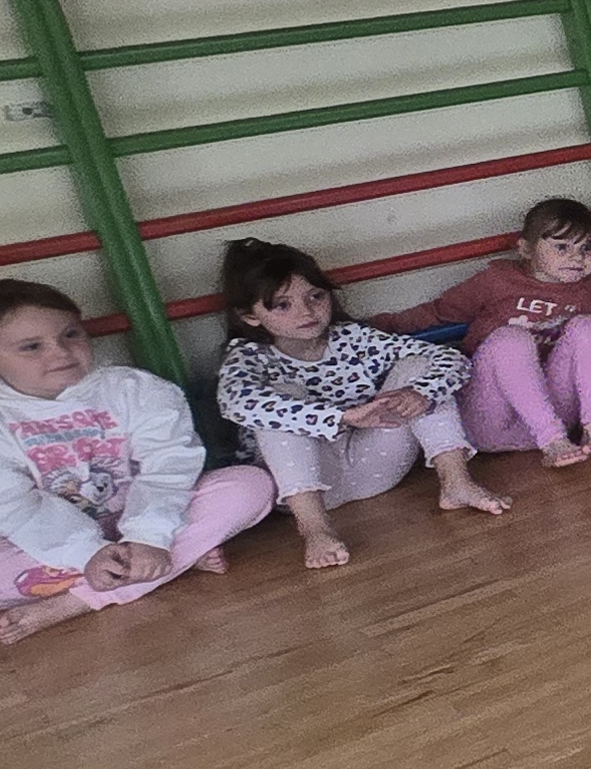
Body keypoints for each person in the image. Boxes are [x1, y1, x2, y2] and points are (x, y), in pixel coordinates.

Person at [0, 278, 277, 642]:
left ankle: (78, 600)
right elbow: (10, 505)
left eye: (71, 334)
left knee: (251, 485)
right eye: (31, 346)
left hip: (147, 522)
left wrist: (149, 536)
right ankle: (176, 559)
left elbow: (169, 464)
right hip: (48, 544)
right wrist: (86, 553)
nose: (61, 352)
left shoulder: (133, 388)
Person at [214, 235, 511, 568]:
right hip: (303, 487)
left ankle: (456, 482)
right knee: (277, 403)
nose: (306, 311)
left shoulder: (353, 338)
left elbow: (451, 359)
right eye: (283, 305)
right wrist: (341, 417)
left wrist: (421, 393)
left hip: (376, 467)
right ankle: (315, 529)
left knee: (418, 369)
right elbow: (236, 402)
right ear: (250, 316)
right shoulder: (248, 356)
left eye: (315, 296)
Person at [368, 196, 591, 465]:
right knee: (510, 339)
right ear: (526, 249)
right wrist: (376, 325)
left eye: (588, 247)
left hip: (559, 415)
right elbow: (438, 312)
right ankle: (552, 441)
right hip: (490, 423)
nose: (577, 257)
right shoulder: (497, 280)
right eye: (561, 247)